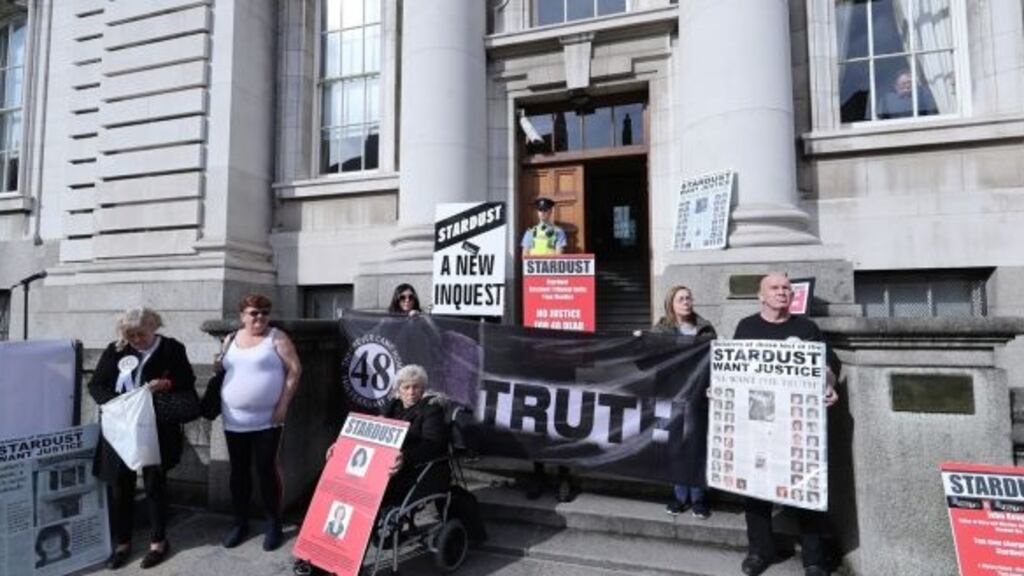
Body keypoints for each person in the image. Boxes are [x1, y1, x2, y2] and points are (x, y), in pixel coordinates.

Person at [293, 365, 449, 576]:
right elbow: (371, 430)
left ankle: (346, 564)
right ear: (398, 389)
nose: (412, 392)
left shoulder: (431, 410)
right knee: (333, 491)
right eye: (407, 387)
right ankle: (317, 556)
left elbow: (433, 445)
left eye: (417, 387)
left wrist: (406, 457)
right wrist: (341, 444)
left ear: (423, 389)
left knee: (364, 504)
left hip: (414, 471)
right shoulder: (392, 405)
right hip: (382, 469)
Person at [735, 273, 840, 576]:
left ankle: (814, 559)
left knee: (807, 487)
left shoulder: (807, 328)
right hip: (759, 421)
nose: (782, 293)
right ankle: (759, 551)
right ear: (761, 296)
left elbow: (829, 367)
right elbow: (734, 369)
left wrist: (830, 386)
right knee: (755, 490)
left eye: (786, 289)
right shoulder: (747, 327)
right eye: (775, 288)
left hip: (797, 422)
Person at [89, 307, 196, 570]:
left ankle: (158, 542)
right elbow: (96, 385)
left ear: (153, 326)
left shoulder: (171, 348)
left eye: (140, 334)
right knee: (120, 486)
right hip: (120, 427)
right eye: (129, 334)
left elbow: (187, 380)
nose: (135, 339)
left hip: (154, 426)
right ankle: (123, 543)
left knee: (154, 484)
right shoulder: (116, 350)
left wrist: (167, 384)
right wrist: (118, 405)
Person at [220, 294, 302, 552]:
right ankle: (240, 522)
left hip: (268, 420)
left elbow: (295, 370)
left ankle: (273, 524)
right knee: (239, 473)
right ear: (242, 315)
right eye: (254, 312)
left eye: (265, 312)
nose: (260, 317)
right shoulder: (230, 339)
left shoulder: (277, 338)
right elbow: (224, 368)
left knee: (266, 471)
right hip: (233, 418)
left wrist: (283, 404)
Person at [651, 285, 716, 519]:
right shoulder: (660, 330)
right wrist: (638, 340)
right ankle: (679, 497)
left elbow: (714, 362)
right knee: (676, 446)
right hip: (672, 395)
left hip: (698, 396)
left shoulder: (705, 328)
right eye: (681, 298)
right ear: (671, 303)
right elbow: (647, 359)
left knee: (697, 446)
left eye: (689, 297)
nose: (687, 302)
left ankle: (698, 498)